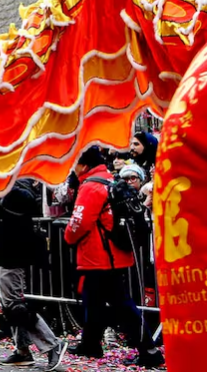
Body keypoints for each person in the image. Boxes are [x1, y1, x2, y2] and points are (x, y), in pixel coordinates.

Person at [64, 146, 164, 368]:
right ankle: (90, 344)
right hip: (113, 254)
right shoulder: (109, 179)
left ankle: (149, 350)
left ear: (84, 164)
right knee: (93, 299)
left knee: (121, 305)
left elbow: (79, 223)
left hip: (99, 257)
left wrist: (68, 236)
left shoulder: (91, 186)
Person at [0, 179, 67, 369]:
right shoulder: (4, 189)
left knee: (15, 307)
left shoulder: (18, 190)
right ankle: (22, 350)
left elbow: (16, 210)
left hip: (12, 255)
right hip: (3, 253)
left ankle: (52, 343)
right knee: (9, 306)